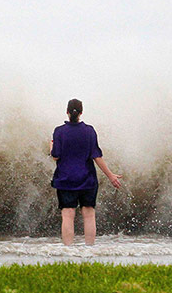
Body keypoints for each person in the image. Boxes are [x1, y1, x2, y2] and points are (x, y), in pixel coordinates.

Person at [50, 98, 121, 245]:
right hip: (87, 179)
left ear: (67, 112)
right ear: (81, 112)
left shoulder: (59, 132)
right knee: (89, 215)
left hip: (65, 179)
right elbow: (96, 156)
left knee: (68, 215)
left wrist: (51, 147)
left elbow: (56, 156)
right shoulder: (89, 131)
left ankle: (68, 250)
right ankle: (89, 249)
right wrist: (110, 175)